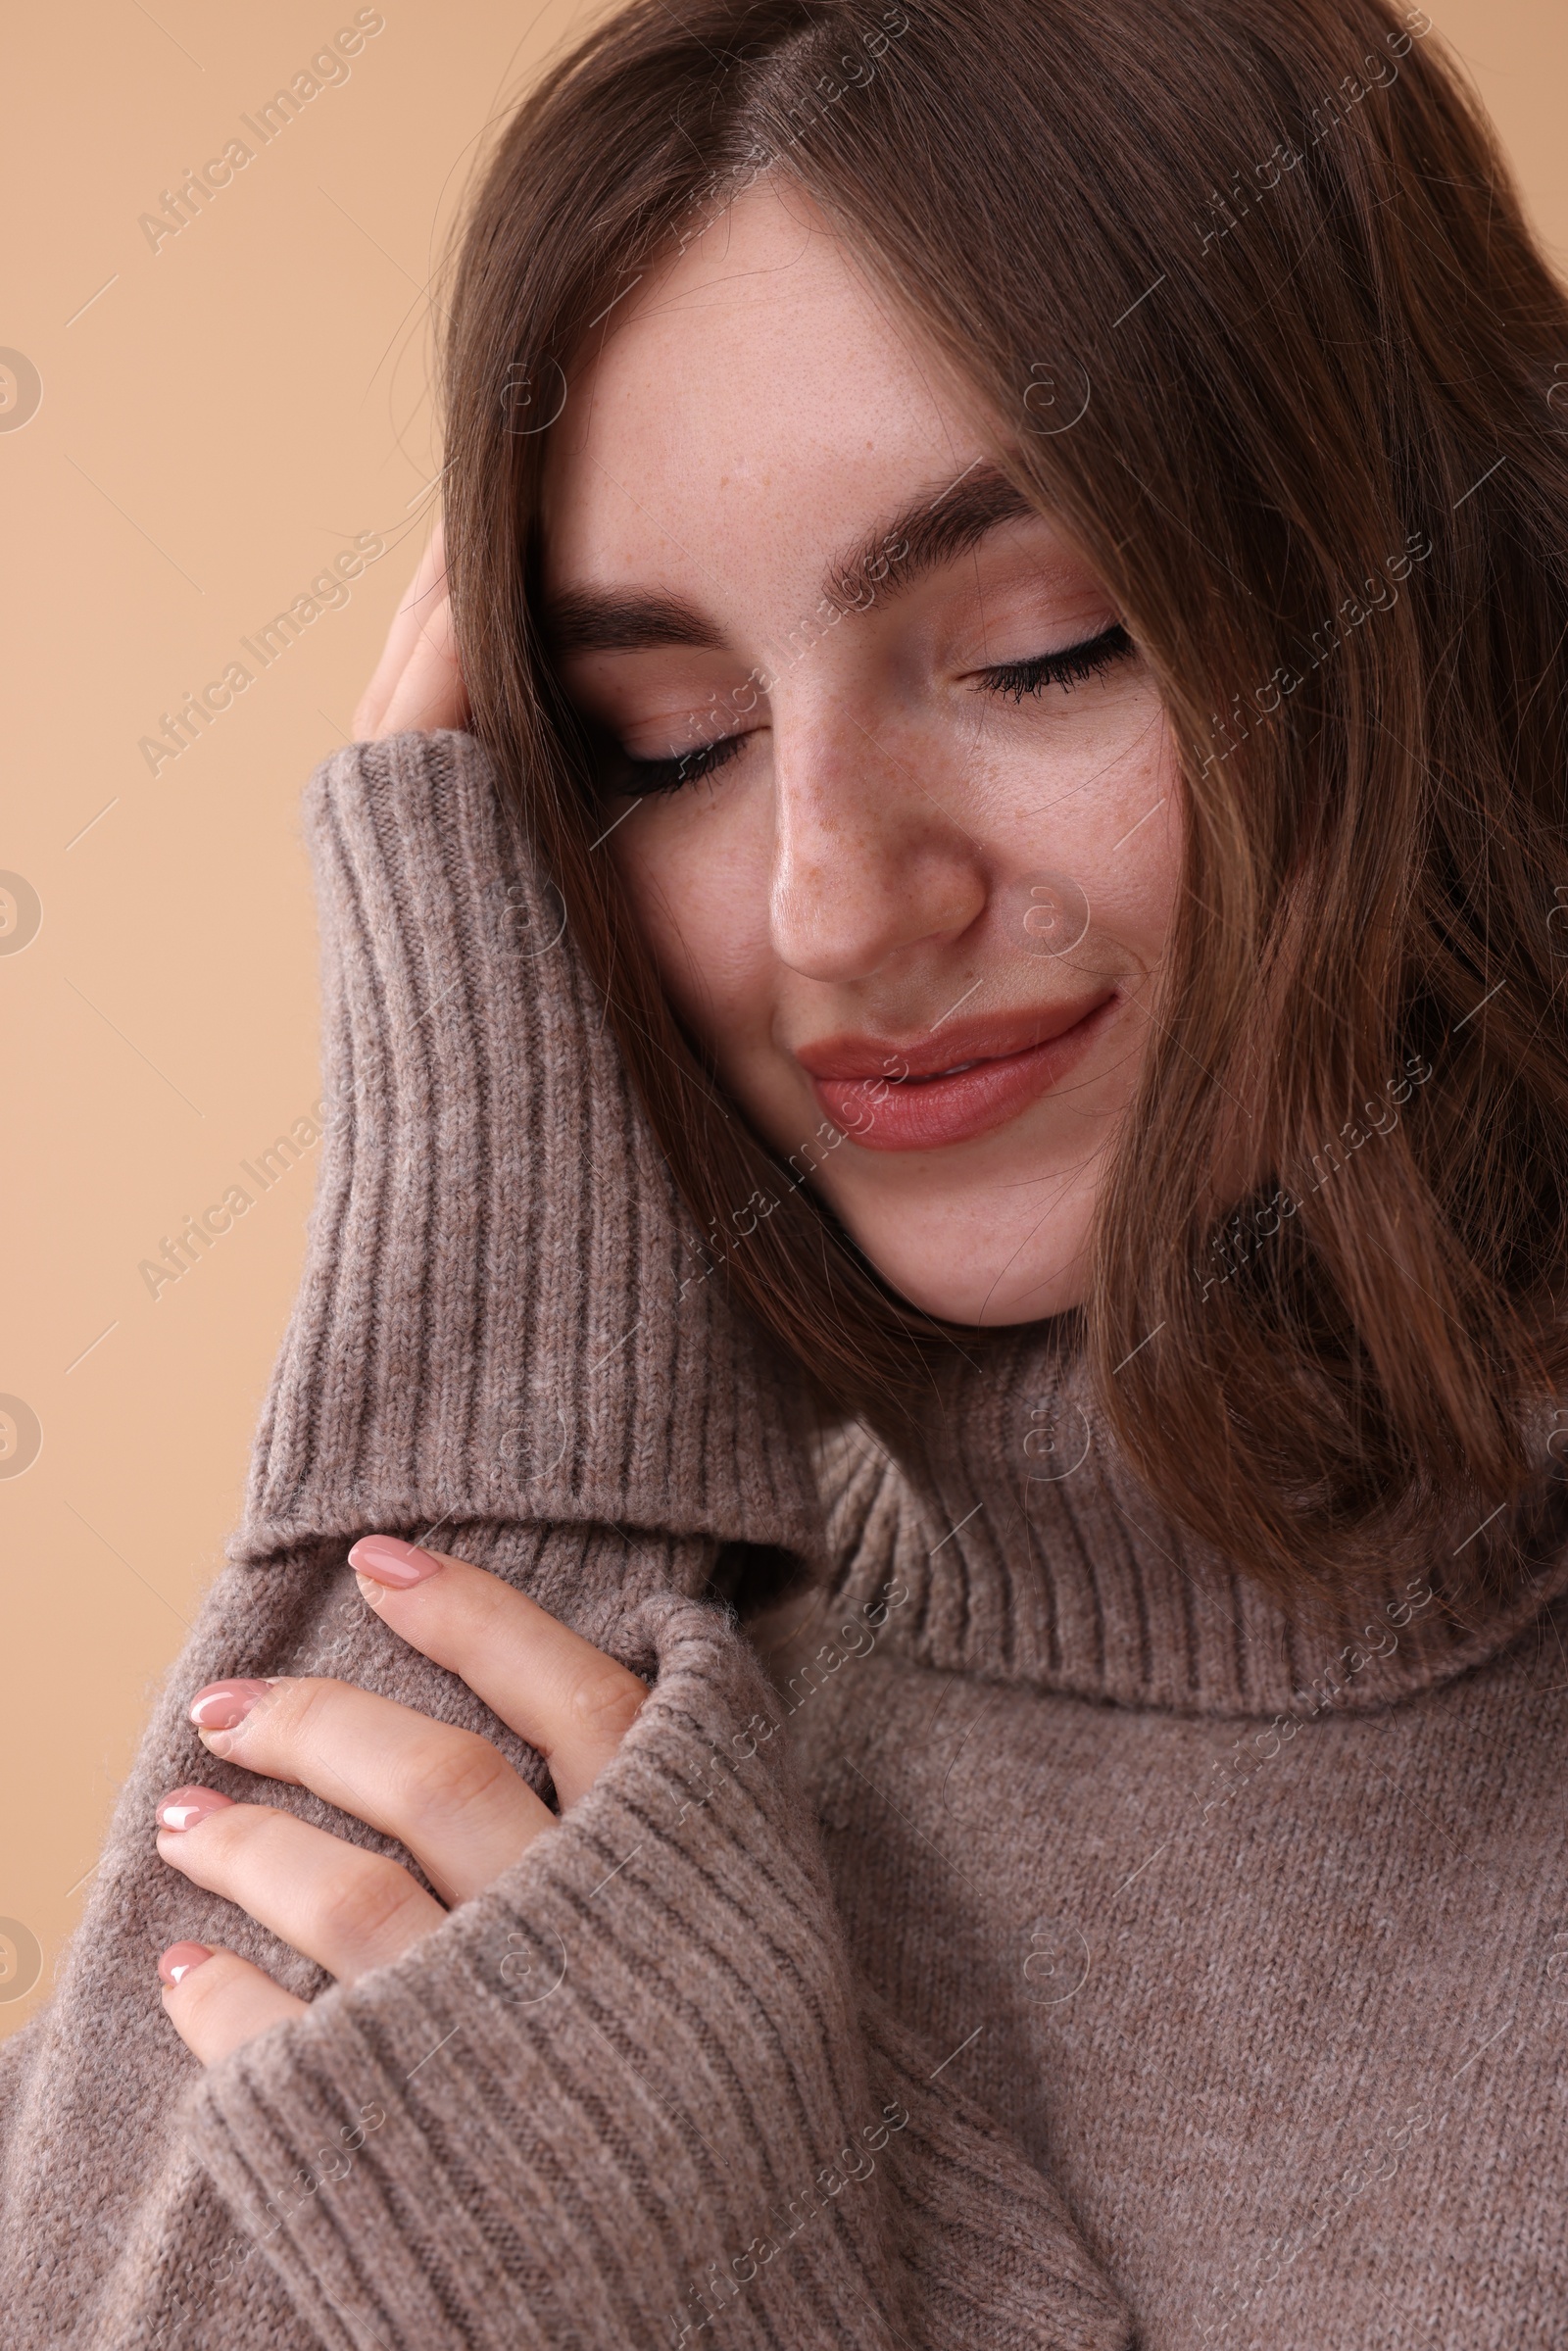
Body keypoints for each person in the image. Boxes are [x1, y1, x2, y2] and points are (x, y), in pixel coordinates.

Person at [7, 0, 1568, 2341]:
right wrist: (479, 1349)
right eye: (664, 743)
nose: (832, 906)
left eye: (1044, 649)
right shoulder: (559, 1741)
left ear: (1440, 609)